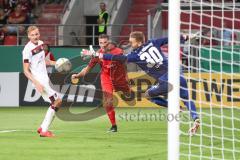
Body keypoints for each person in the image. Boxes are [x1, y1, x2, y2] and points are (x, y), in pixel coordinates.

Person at [94, 31, 200, 136]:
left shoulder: (135, 55)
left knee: (148, 95)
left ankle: (174, 107)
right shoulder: (153, 42)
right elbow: (171, 39)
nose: (130, 44)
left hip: (166, 80)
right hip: (178, 75)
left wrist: (99, 55)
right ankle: (195, 118)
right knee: (186, 99)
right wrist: (186, 37)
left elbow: (119, 58)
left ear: (139, 43)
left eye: (132, 42)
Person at [71, 34, 131, 132]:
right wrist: (78, 75)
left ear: (109, 42)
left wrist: (126, 76)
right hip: (106, 77)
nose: (103, 45)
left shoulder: (118, 52)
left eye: (105, 42)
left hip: (119, 77)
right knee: (108, 102)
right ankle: (114, 126)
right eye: (100, 43)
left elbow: (123, 63)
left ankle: (128, 90)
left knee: (128, 94)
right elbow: (87, 69)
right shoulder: (97, 55)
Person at [22, 26, 62, 137]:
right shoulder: (27, 50)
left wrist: (57, 63)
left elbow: (43, 60)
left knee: (57, 101)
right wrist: (36, 83)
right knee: (57, 101)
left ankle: (42, 128)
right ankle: (44, 130)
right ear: (28, 36)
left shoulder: (41, 43)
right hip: (40, 80)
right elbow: (25, 70)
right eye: (33, 35)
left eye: (37, 34)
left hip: (45, 79)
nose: (35, 36)